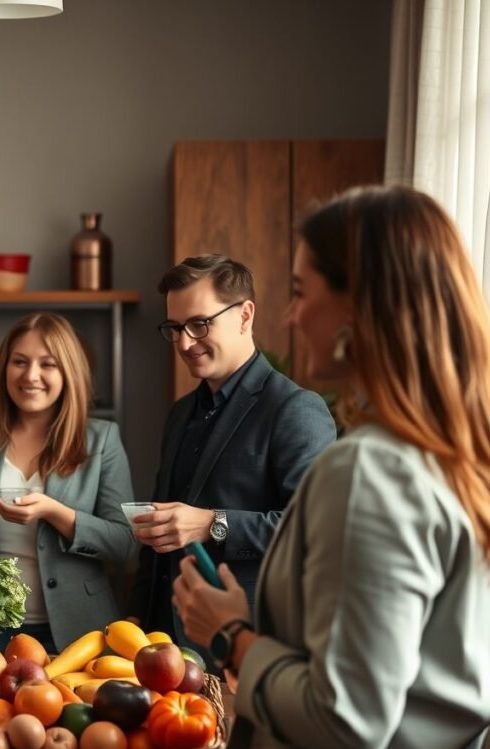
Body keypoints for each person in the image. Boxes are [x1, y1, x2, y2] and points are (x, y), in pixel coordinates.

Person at [72, 186, 490, 749]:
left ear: (361, 304)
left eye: (299, 290)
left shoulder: (372, 471)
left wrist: (233, 635)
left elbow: (350, 718)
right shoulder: (463, 463)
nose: (290, 317)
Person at [128, 254, 336, 653]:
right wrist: (136, 618)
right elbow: (159, 535)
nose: (185, 342)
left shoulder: (296, 409)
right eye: (175, 328)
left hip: (249, 644)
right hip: (161, 646)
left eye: (200, 324)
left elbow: (313, 532)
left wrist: (212, 524)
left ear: (245, 315)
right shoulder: (179, 414)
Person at [0, 311, 137, 652]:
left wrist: (57, 514)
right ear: (4, 369)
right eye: (20, 362)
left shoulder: (101, 440)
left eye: (48, 364)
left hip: (78, 633)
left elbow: (125, 544)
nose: (31, 376)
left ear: (67, 370)